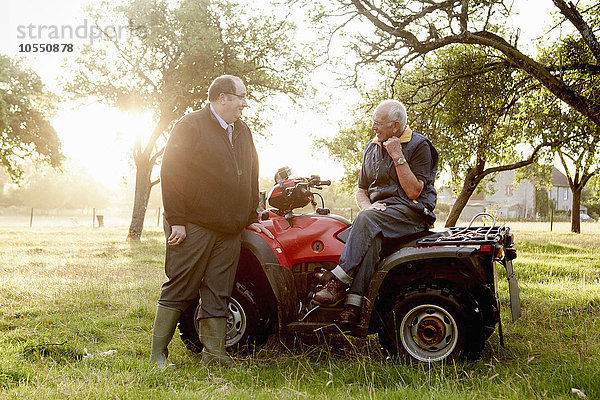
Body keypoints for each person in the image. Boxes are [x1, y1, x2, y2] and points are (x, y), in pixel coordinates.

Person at [149, 74, 273, 368]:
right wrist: (177, 220)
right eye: (241, 97)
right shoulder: (190, 125)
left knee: (219, 289)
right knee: (181, 286)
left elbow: (252, 172)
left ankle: (214, 355)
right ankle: (157, 355)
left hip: (230, 230)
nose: (245, 103)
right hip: (193, 225)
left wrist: (250, 214)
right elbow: (171, 173)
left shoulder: (242, 130)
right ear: (222, 98)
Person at [313, 99, 438, 324]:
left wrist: (397, 155)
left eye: (378, 123)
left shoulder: (420, 146)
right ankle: (352, 306)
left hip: (411, 213)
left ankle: (338, 281)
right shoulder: (371, 147)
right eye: (373, 122)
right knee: (371, 239)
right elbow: (361, 190)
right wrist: (368, 208)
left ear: (395, 126)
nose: (373, 127)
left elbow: (413, 192)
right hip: (378, 216)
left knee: (367, 220)